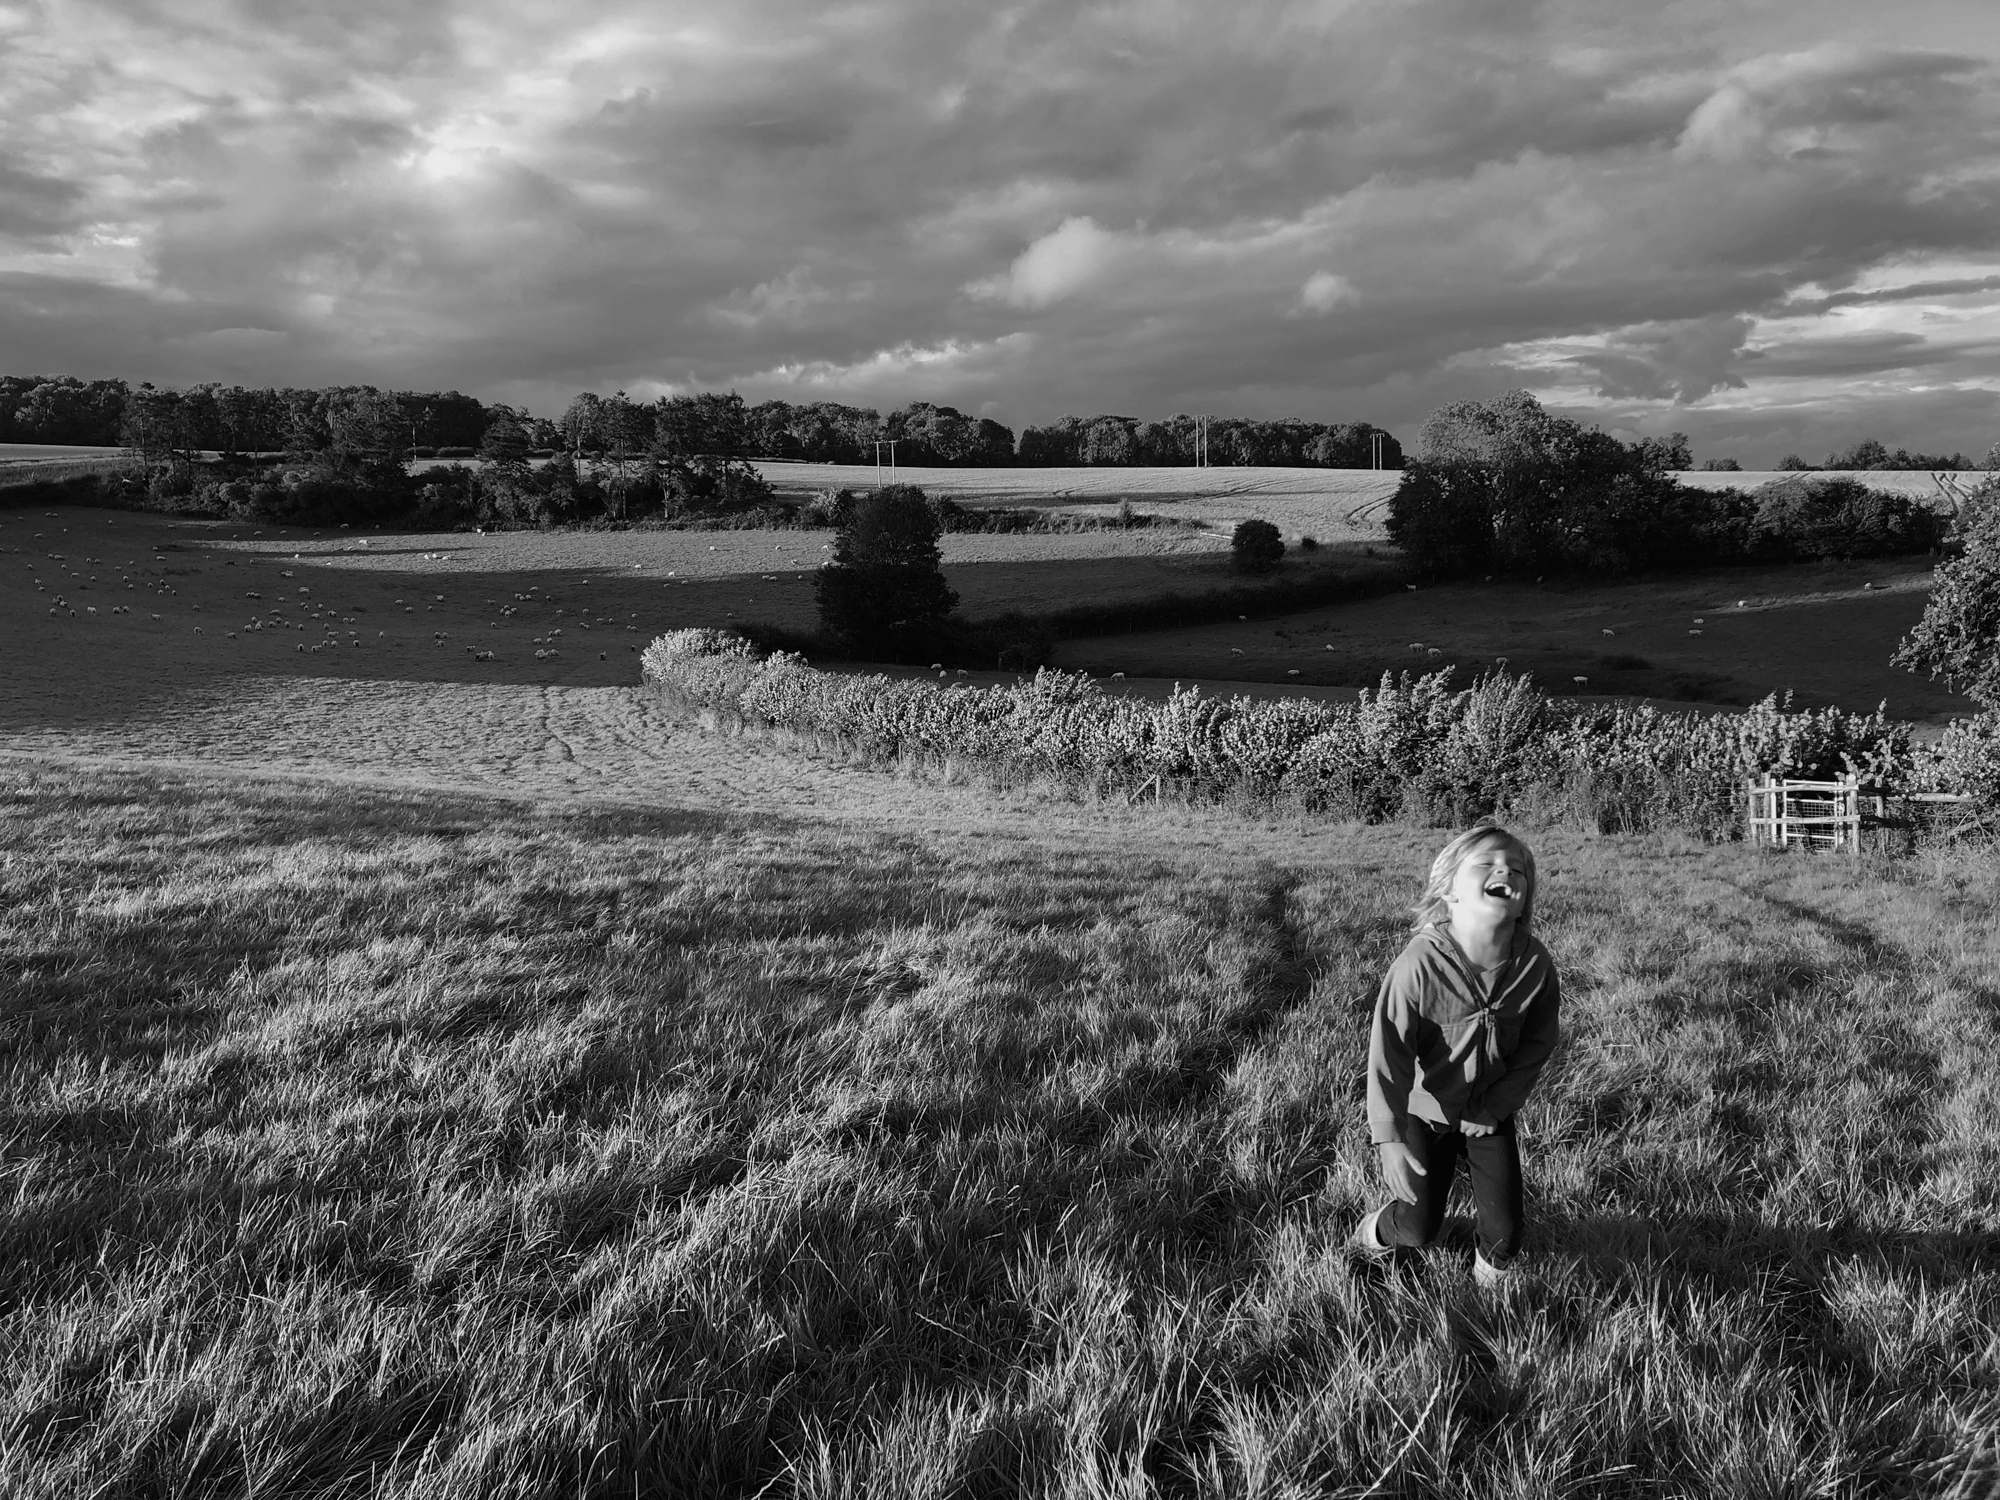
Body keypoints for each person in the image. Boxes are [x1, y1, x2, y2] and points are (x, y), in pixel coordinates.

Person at [1352, 824, 1561, 1286]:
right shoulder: (1419, 965)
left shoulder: (1534, 964)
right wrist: (1389, 1139)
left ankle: (1489, 1295)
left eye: (1518, 869)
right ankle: (1374, 1231)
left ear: (1524, 900)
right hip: (1424, 1113)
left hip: (1489, 1112)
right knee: (1417, 1229)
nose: (1505, 871)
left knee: (1506, 1235)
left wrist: (1497, 1106)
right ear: (1449, 891)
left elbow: (1539, 1042)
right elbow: (1388, 1055)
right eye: (1487, 863)